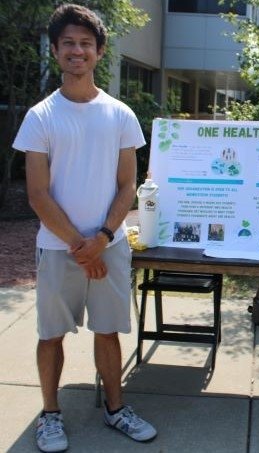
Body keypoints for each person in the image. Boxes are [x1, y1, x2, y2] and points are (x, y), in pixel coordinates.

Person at [12, 4, 156, 451]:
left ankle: (116, 409)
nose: (78, 51)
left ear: (99, 53)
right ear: (56, 51)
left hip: (107, 245)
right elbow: (38, 194)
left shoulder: (120, 115)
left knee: (108, 331)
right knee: (50, 334)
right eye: (69, 43)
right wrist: (80, 245)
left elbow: (128, 183)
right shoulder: (40, 116)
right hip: (59, 249)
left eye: (86, 44)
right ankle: (50, 416)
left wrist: (103, 239)